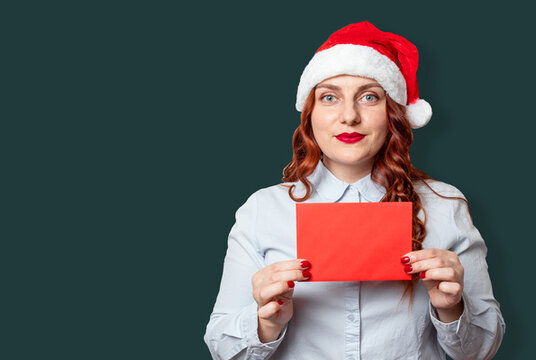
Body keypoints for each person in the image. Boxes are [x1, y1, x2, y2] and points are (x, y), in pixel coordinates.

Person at [204, 21, 505, 359]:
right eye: (329, 97)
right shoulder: (263, 209)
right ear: (310, 115)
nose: (349, 116)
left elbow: (482, 351)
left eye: (369, 97)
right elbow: (221, 348)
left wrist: (452, 308)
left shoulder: (444, 205)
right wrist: (265, 324)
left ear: (393, 114)